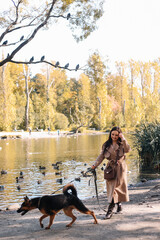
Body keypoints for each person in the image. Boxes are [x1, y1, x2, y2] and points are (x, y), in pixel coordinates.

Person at [91, 126, 131, 219]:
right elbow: (101, 156)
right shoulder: (106, 145)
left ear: (119, 135)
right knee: (112, 189)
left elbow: (128, 150)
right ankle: (118, 204)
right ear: (110, 134)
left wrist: (123, 139)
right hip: (110, 170)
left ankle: (110, 210)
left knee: (116, 189)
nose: (114, 136)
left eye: (116, 135)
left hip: (121, 169)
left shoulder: (122, 144)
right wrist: (95, 165)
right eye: (112, 134)